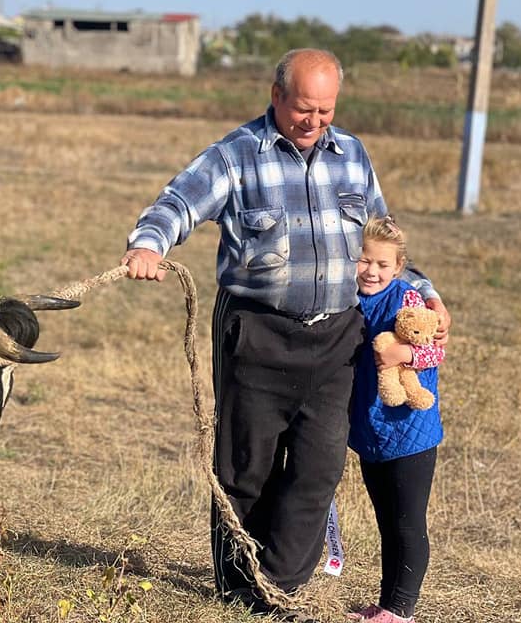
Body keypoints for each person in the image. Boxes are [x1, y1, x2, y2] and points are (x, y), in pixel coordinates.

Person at [120, 49, 451, 615]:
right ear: (276, 97)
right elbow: (179, 201)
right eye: (304, 109)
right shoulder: (235, 156)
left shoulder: (352, 155)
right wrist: (150, 242)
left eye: (325, 111)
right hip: (257, 334)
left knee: (319, 471)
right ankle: (239, 586)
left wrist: (424, 290)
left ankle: (276, 584)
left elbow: (383, 239)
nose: (315, 121)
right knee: (246, 467)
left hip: (336, 340)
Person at [347, 216, 445, 623]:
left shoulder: (407, 299)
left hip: (410, 431)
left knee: (407, 521)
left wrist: (401, 356)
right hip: (371, 428)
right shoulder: (346, 296)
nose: (371, 271)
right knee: (386, 519)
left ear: (399, 267)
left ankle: (400, 610)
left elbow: (434, 351)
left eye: (382, 265)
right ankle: (386, 604)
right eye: (363, 260)